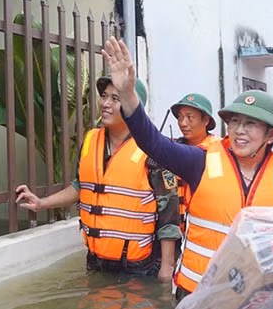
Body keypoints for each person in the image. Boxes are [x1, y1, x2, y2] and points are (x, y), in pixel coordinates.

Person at [99, 37, 273, 301]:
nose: (239, 130)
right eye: (235, 121)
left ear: (271, 135)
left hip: (256, 298)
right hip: (198, 295)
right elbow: (153, 142)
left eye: (250, 124)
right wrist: (127, 95)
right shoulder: (200, 161)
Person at [15, 77, 179, 281]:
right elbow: (80, 186)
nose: (106, 104)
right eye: (104, 96)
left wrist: (167, 267)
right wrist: (41, 203)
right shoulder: (91, 140)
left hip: (139, 269)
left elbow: (169, 214)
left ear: (132, 106)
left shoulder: (154, 150)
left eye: (115, 98)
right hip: (96, 263)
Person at [169, 93, 220, 238]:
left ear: (205, 120)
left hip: (205, 232)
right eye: (180, 117)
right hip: (174, 233)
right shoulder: (173, 150)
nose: (183, 123)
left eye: (190, 117)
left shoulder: (219, 152)